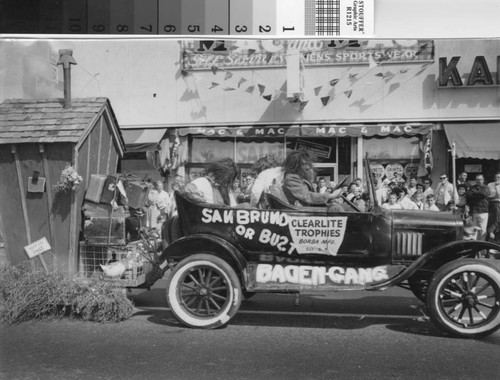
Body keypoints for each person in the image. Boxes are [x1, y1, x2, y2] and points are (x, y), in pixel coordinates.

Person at [466, 174, 490, 240]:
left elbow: (484, 194)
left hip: (483, 212)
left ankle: (482, 247)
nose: (478, 181)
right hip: (474, 211)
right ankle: (475, 246)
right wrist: (478, 194)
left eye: (480, 179)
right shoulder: (472, 187)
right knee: (474, 230)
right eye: (477, 179)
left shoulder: (486, 187)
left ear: (483, 180)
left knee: (482, 230)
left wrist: (475, 193)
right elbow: (468, 195)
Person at [487, 173, 500, 242]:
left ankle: (492, 233)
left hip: (498, 204)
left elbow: (499, 195)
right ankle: (491, 235)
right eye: (495, 177)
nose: (497, 179)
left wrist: (497, 186)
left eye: (498, 177)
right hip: (490, 204)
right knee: (491, 219)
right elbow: (487, 195)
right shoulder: (490, 184)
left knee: (497, 219)